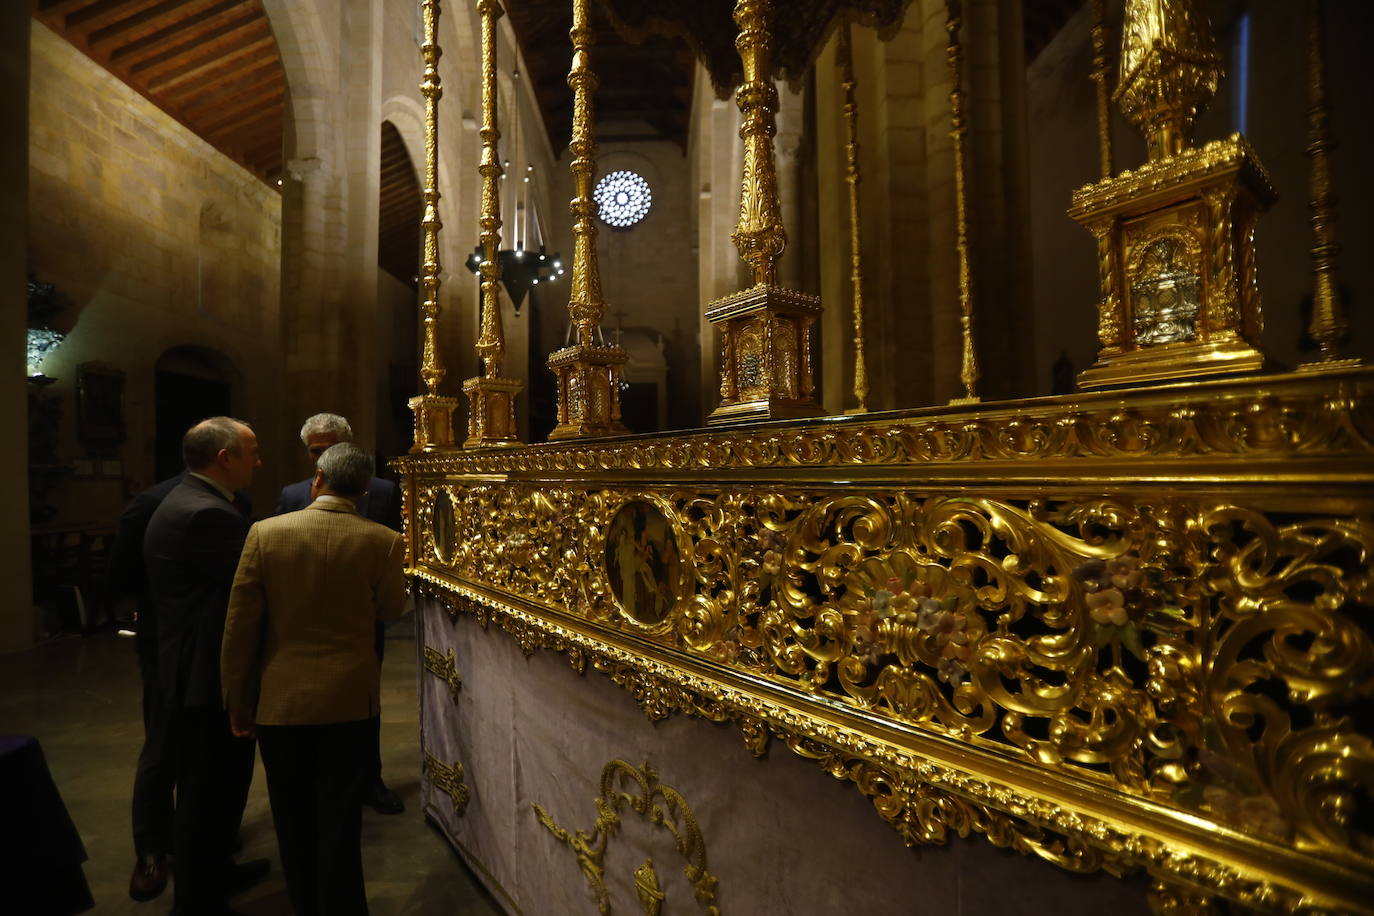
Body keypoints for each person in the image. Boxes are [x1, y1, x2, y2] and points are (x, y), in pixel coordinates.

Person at [222, 443, 407, 916]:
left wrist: (237, 698)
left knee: (291, 813)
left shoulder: (264, 534)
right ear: (364, 489)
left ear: (317, 479)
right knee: (341, 817)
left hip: (280, 700)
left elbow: (240, 626)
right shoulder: (383, 541)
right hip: (349, 700)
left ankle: (304, 902)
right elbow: (390, 610)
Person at [143, 417, 266, 915]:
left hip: (191, 665)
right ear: (225, 458)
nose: (258, 461)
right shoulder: (207, 514)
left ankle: (218, 873)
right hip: (205, 674)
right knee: (207, 793)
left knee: (220, 787)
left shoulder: (191, 501)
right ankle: (197, 902)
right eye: (252, 452)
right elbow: (250, 589)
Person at [275, 412, 404, 815]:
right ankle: (319, 779)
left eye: (330, 449)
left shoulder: (382, 491)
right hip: (304, 619)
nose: (323, 458)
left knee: (365, 703)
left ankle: (369, 778)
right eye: (316, 451)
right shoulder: (293, 495)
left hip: (362, 618)